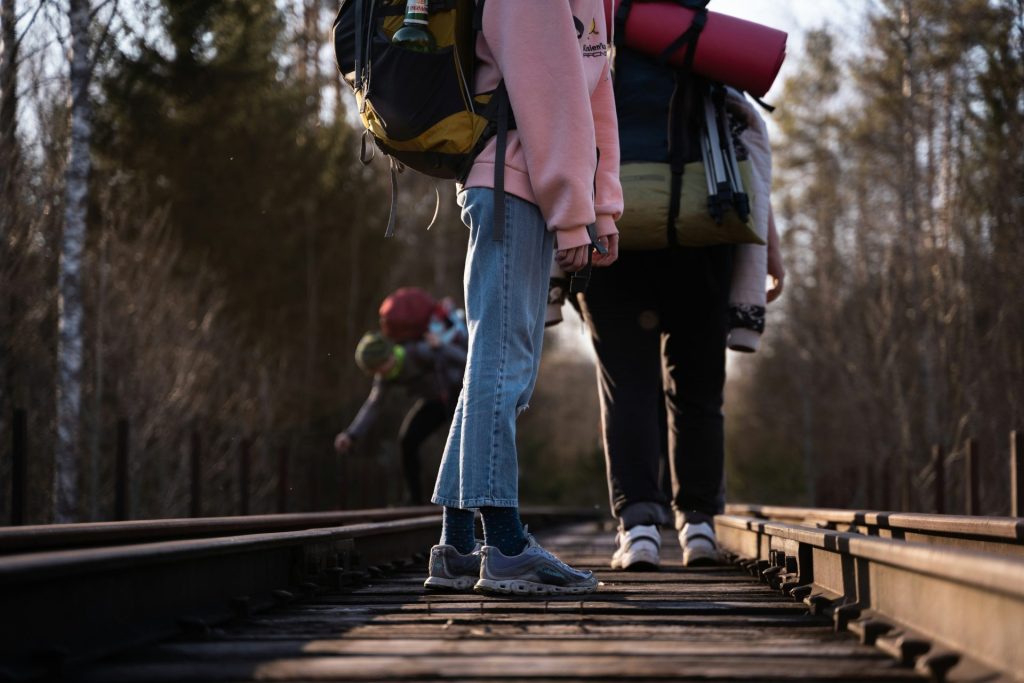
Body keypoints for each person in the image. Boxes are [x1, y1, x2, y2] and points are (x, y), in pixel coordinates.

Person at [424, 0, 621, 596]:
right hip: (511, 180)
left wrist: (602, 205)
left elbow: (595, 95)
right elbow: (548, 97)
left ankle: (458, 546)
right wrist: (572, 214)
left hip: (529, 186)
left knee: (494, 362)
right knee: (504, 366)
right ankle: (505, 546)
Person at [574, 44, 785, 570]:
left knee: (628, 388)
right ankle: (698, 527)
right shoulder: (704, 48)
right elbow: (748, 158)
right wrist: (770, 252)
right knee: (698, 389)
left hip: (610, 235)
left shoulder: (592, 46)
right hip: (703, 240)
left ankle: (640, 528)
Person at [334, 328, 466, 505]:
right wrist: (351, 434)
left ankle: (472, 496)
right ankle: (415, 499)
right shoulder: (386, 376)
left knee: (463, 445)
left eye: (378, 368)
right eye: (373, 371)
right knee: (408, 441)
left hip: (463, 395)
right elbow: (373, 405)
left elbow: (465, 358)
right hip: (437, 403)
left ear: (387, 357)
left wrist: (441, 347)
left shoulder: (418, 351)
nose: (378, 373)